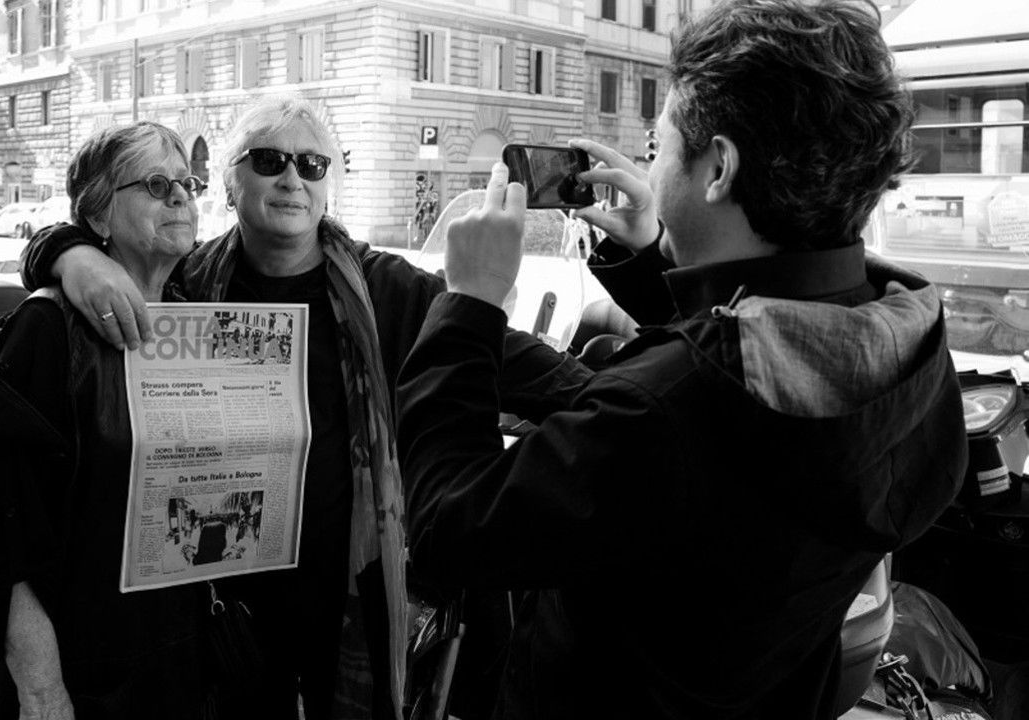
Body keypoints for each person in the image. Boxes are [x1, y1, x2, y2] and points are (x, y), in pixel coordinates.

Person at [396, 1, 968, 718]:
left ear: (718, 166)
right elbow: (762, 363)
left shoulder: (659, 413)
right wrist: (656, 253)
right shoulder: (910, 345)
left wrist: (470, 302)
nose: (650, 165)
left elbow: (449, 527)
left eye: (658, 146)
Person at [18, 95, 590, 720]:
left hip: (346, 593)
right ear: (229, 184)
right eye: (269, 160)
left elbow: (526, 366)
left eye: (313, 165)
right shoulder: (188, 283)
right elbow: (95, 239)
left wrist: (627, 395)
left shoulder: (386, 287)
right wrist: (68, 254)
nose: (293, 178)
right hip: (223, 596)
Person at [0, 121, 215, 718]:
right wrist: (42, 689)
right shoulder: (48, 326)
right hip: (73, 666)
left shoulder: (197, 313)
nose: (179, 197)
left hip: (167, 657)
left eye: (188, 184)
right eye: (156, 184)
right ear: (96, 215)